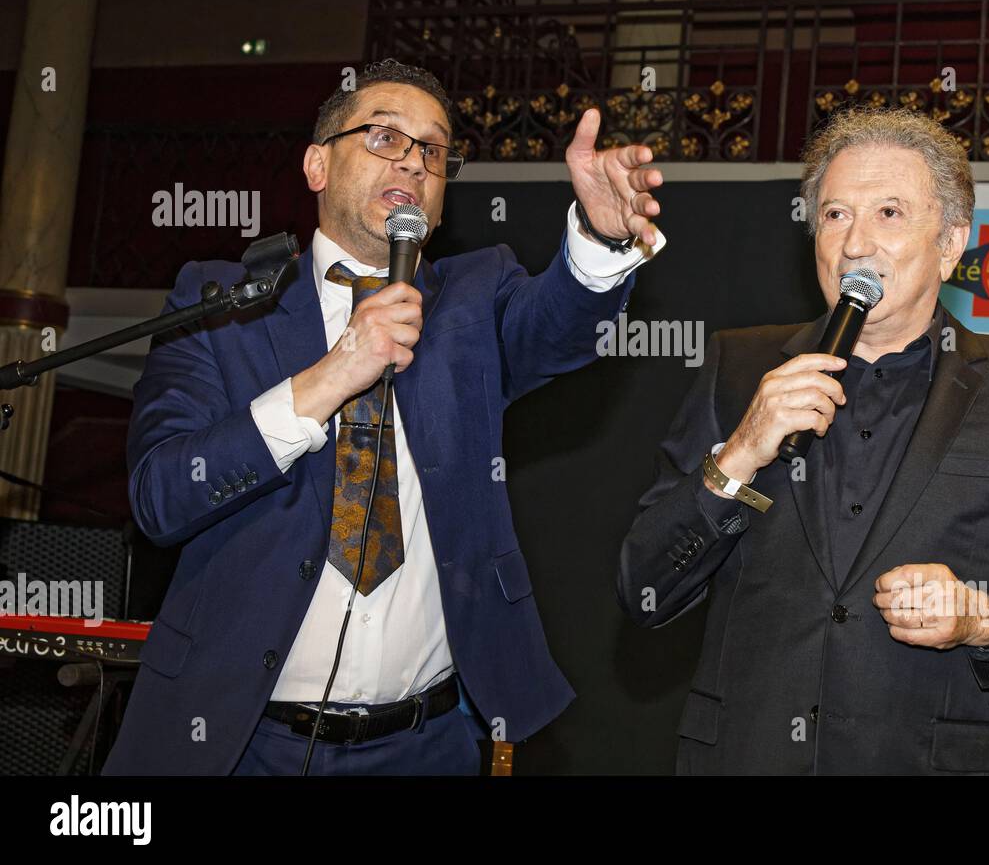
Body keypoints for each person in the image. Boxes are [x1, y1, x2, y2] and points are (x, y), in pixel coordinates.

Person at [104, 58, 665, 775]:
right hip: (238, 739)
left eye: (433, 149)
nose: (413, 160)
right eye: (383, 137)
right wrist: (334, 374)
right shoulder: (220, 302)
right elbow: (162, 497)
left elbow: (555, 325)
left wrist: (599, 239)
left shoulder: (472, 295)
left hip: (425, 746)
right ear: (317, 164)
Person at [617, 106, 989, 775]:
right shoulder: (739, 369)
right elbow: (644, 586)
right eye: (834, 215)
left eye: (889, 213)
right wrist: (740, 452)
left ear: (950, 243)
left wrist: (980, 617)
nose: (855, 243)